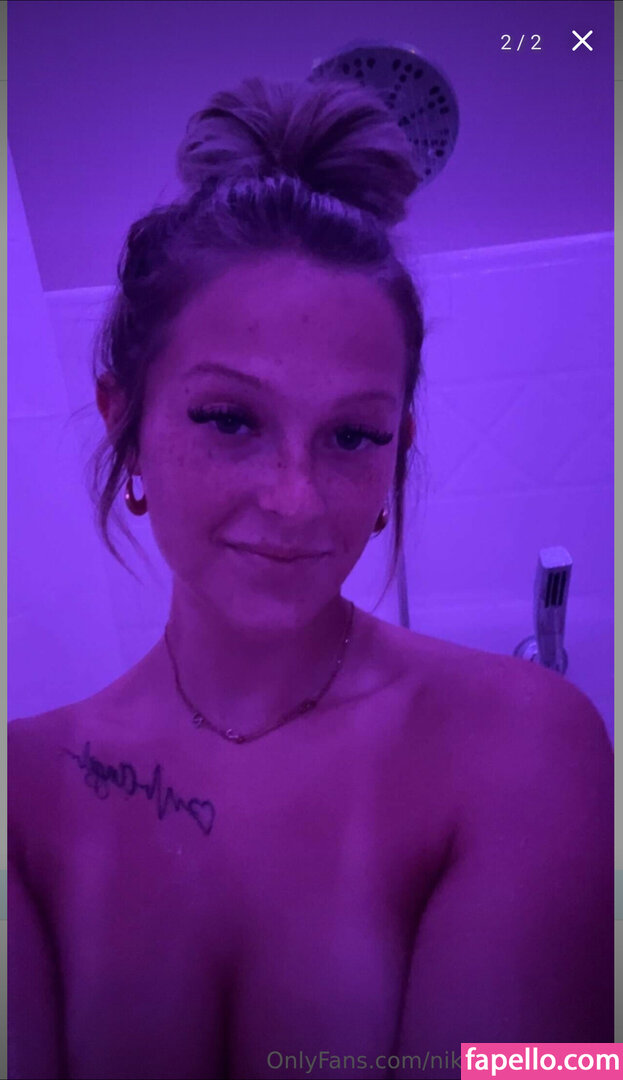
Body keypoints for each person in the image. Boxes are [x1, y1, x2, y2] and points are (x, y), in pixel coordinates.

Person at [8, 76, 613, 1080]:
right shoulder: (21, 793)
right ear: (124, 421)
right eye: (230, 419)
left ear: (396, 449)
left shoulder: (524, 745)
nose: (294, 499)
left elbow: (537, 1065)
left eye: (351, 435)